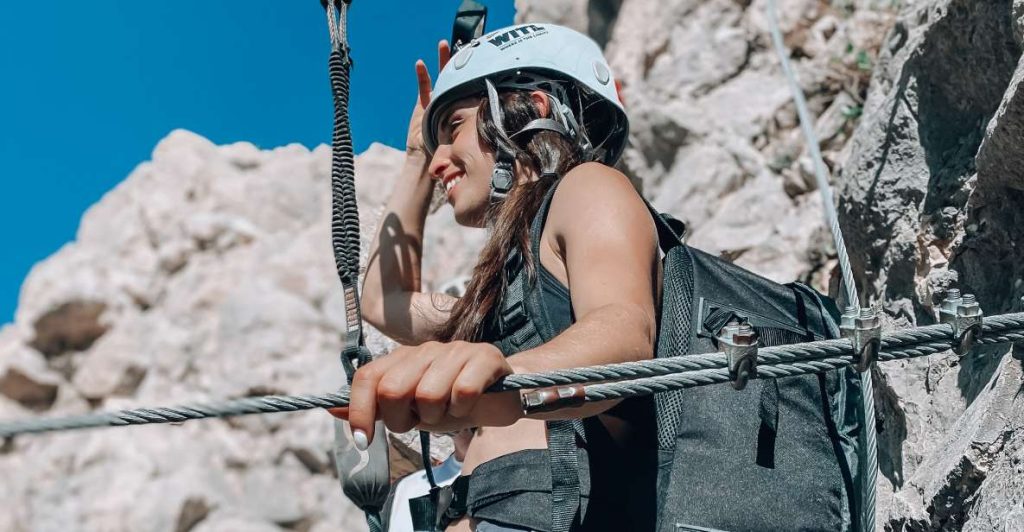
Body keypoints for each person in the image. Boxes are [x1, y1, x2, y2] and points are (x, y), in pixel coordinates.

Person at [331, 23, 660, 532]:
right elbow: (383, 301)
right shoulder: (507, 286)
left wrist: (498, 372)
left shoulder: (590, 187)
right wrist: (418, 155)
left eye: (455, 129)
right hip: (499, 508)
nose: (440, 161)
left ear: (532, 107)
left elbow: (623, 334)